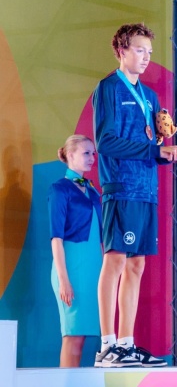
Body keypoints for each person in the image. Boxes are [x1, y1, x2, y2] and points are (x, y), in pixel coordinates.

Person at [92, 23, 177, 368]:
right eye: (139, 50)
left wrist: (167, 152)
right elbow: (105, 142)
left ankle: (126, 344)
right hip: (121, 187)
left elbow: (151, 143)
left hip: (147, 190)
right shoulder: (108, 88)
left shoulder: (150, 97)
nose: (146, 57)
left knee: (136, 265)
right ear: (121, 51)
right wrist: (153, 151)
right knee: (115, 261)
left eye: (149, 52)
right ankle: (107, 347)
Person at [48, 135, 103, 367]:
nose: (92, 158)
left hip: (94, 268)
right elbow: (56, 238)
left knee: (84, 338)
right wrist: (64, 280)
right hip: (71, 267)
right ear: (70, 155)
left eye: (93, 153)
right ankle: (66, 382)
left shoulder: (92, 190)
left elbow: (100, 236)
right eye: (86, 153)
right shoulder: (59, 189)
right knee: (73, 336)